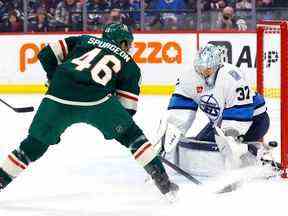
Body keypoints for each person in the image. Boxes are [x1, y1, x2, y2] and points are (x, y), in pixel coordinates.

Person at [0, 23, 178, 200]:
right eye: (128, 44)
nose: (129, 48)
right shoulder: (131, 65)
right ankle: (163, 182)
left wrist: (53, 78)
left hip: (58, 96)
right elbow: (128, 110)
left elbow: (46, 54)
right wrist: (118, 123)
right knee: (133, 136)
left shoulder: (84, 40)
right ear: (123, 43)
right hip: (98, 100)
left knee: (34, 144)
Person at [157, 43, 270, 169]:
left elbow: (240, 111)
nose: (203, 72)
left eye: (208, 68)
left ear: (217, 65)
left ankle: (251, 157)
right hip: (221, 122)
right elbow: (181, 109)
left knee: (229, 147)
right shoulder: (189, 78)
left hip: (255, 121)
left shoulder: (232, 77)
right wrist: (172, 129)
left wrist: (230, 139)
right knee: (201, 144)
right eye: (200, 67)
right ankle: (243, 154)